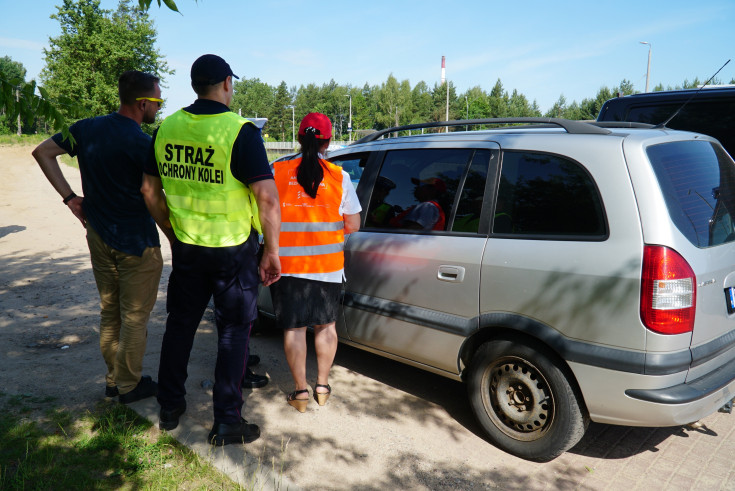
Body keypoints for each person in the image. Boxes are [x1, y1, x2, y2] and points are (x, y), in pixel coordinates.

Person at [140, 54, 281, 446]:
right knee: (234, 333)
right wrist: (272, 250)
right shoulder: (240, 132)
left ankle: (169, 405)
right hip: (232, 253)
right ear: (225, 84)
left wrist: (171, 230)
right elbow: (267, 200)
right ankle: (227, 421)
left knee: (180, 325)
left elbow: (150, 191)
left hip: (188, 247)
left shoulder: (167, 128)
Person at [32, 70, 164, 404]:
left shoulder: (85, 128)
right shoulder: (142, 143)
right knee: (134, 317)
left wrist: (70, 198)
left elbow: (42, 152)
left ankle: (113, 381)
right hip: (137, 243)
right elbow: (155, 195)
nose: (159, 108)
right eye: (158, 101)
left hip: (99, 238)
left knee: (110, 312)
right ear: (143, 102)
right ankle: (130, 386)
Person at [271, 112, 362, 413]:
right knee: (326, 326)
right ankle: (322, 386)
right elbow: (354, 223)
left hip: (288, 266)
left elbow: (265, 215)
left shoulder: (278, 170)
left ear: (299, 137)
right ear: (328, 140)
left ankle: (300, 392)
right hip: (327, 266)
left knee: (295, 329)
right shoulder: (340, 176)